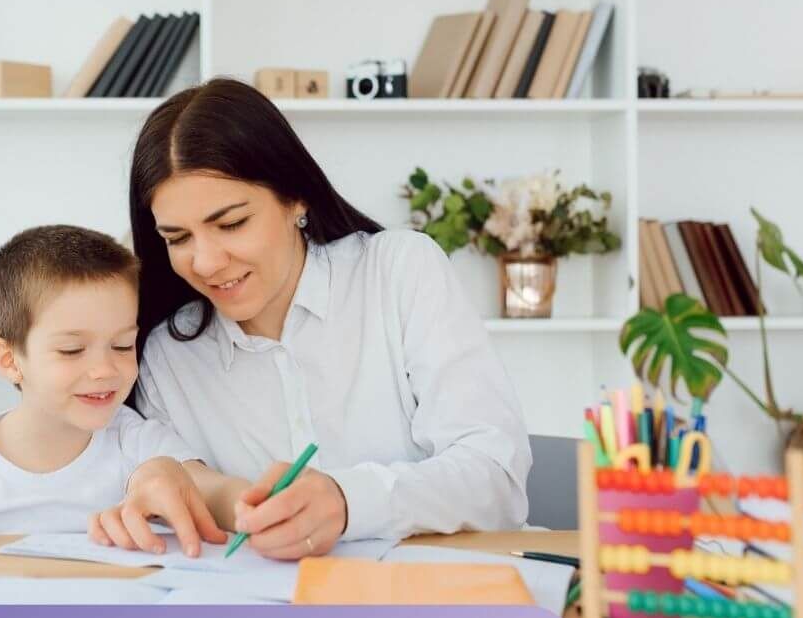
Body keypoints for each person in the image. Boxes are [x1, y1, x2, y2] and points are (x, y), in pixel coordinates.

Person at [87, 79, 532, 560]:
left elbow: (497, 480)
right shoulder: (169, 354)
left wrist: (346, 501)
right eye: (178, 238)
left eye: (232, 223)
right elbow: (181, 489)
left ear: (296, 198)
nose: (207, 261)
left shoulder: (398, 271)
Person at [0, 225, 223, 555]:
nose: (105, 370)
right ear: (9, 360)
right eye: (72, 350)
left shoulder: (141, 445)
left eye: (122, 346)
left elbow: (214, 491)